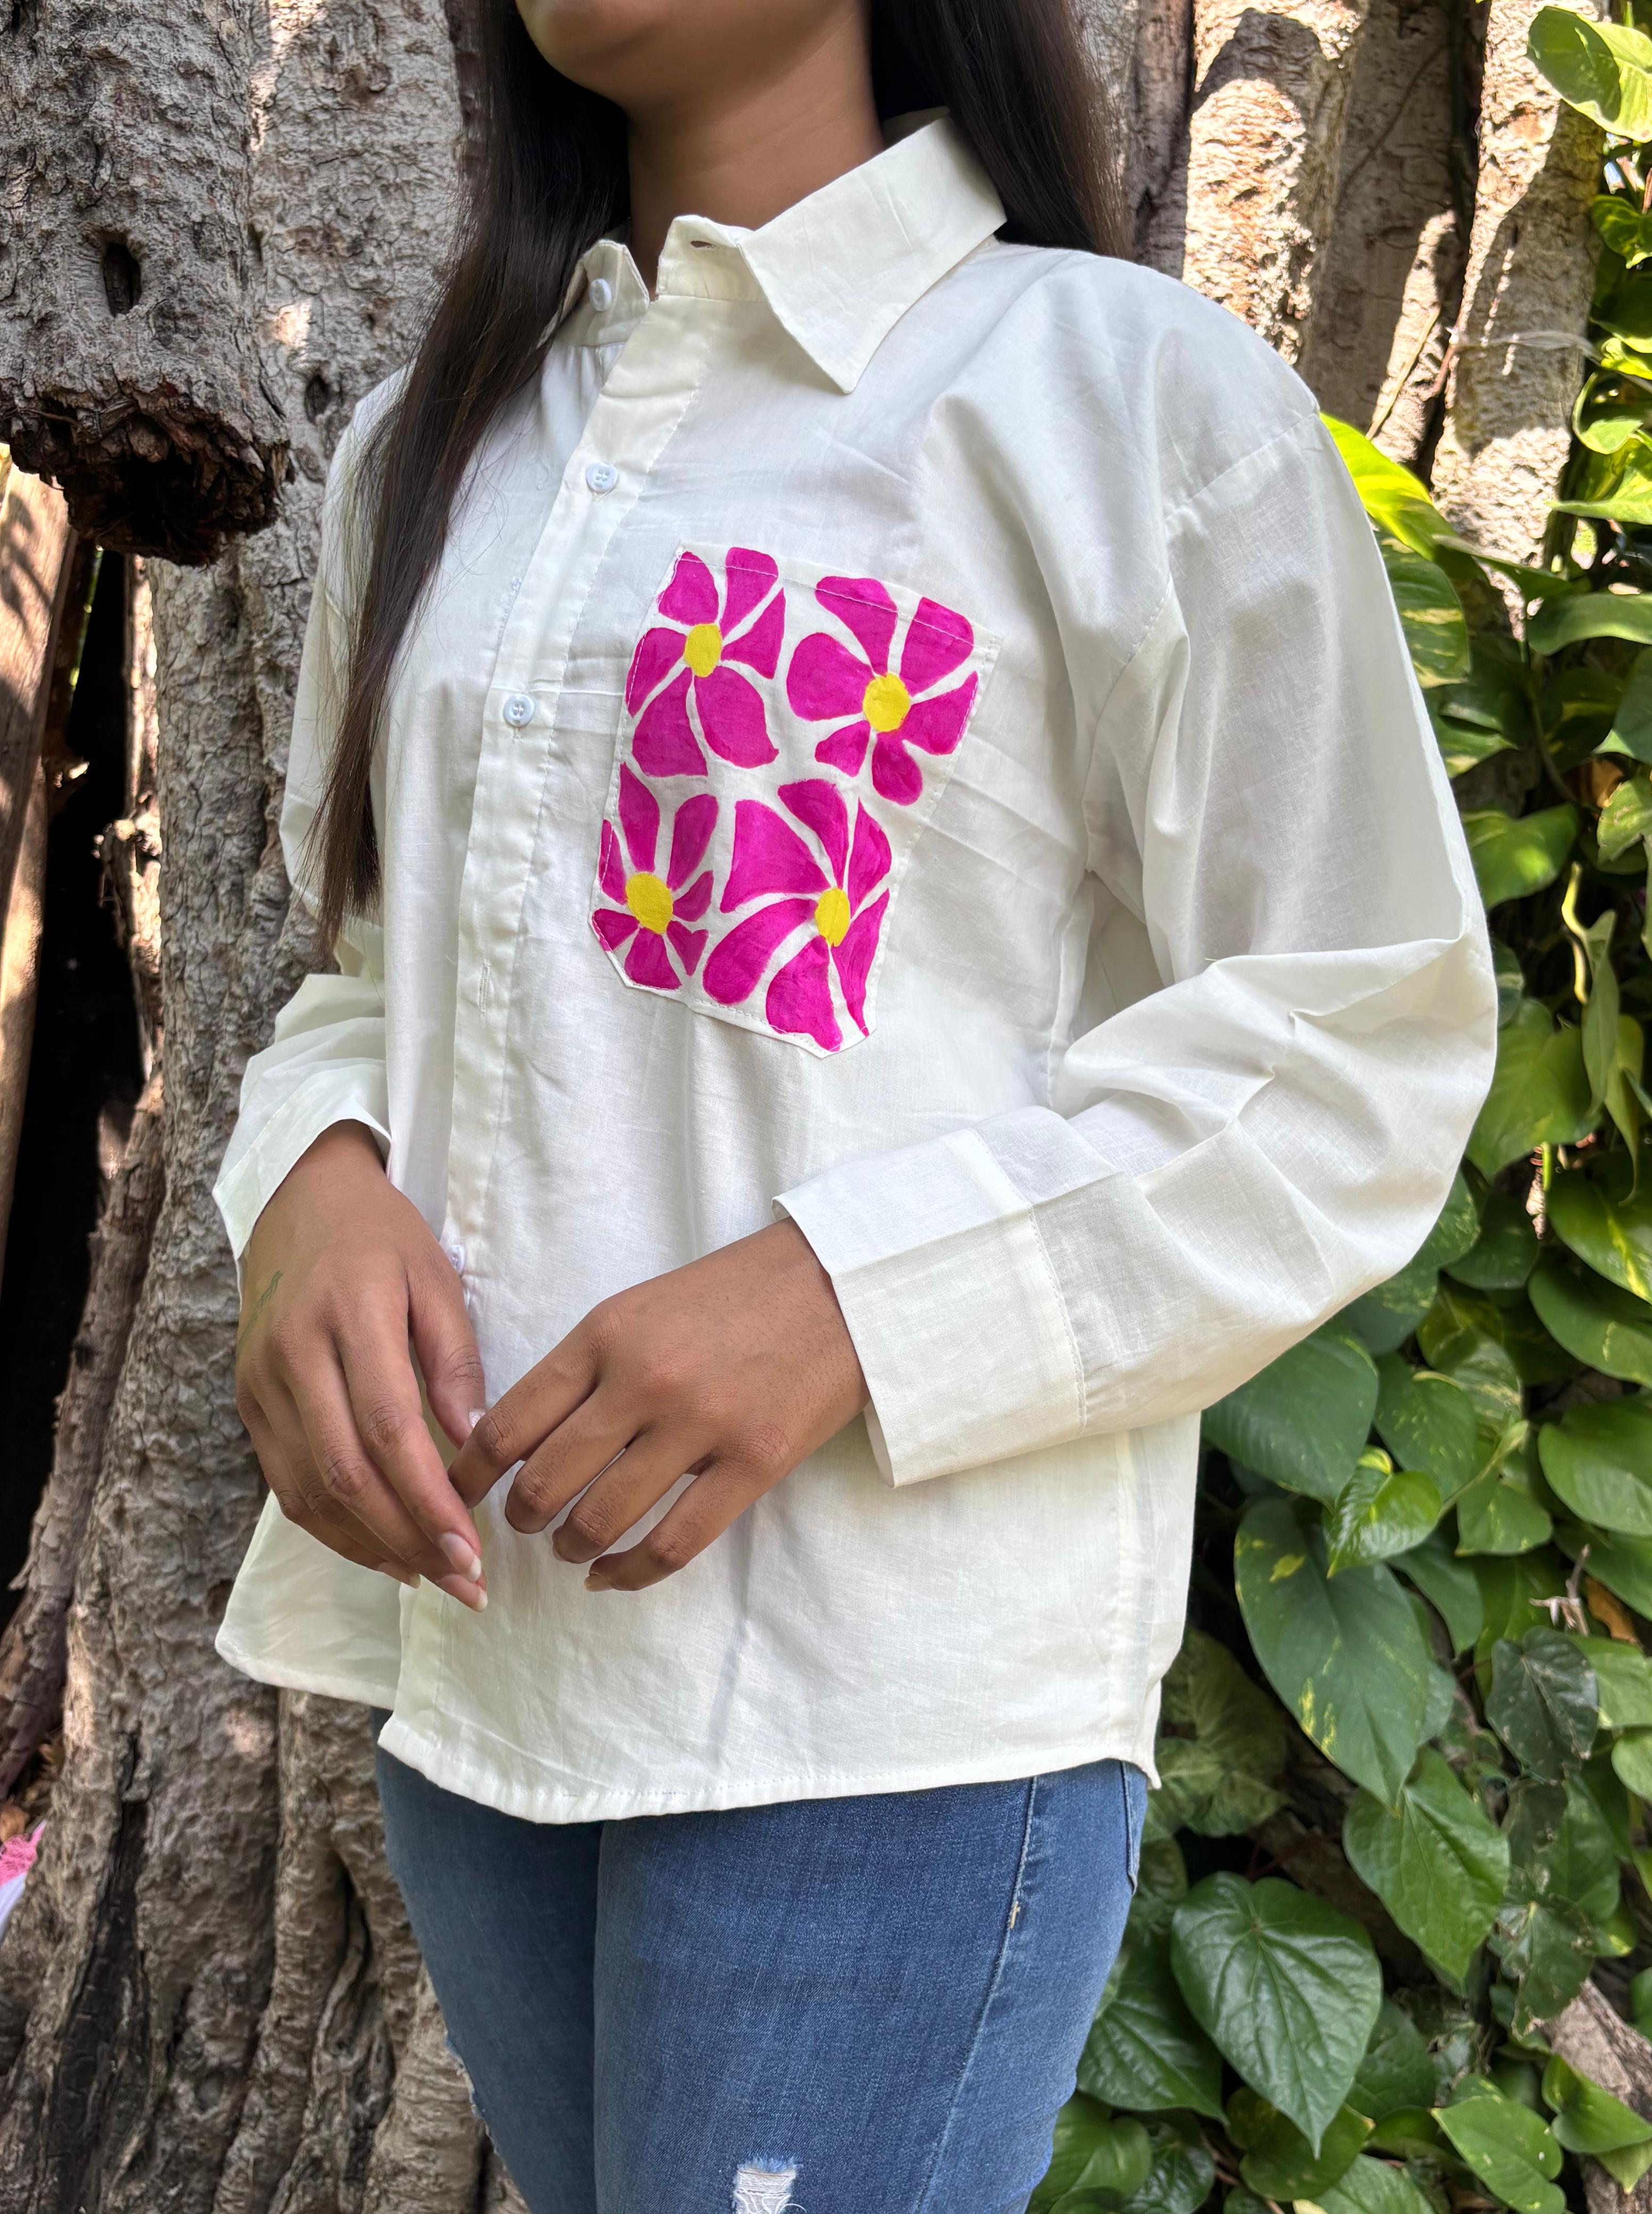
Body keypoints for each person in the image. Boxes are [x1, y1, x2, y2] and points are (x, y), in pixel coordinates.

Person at [212, 0, 1498, 2206]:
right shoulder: (433, 449)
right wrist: (309, 1181)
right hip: (491, 1670)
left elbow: (1358, 1036)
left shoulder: (1114, 398)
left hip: (891, 1704)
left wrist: (851, 1298)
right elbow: (370, 976)